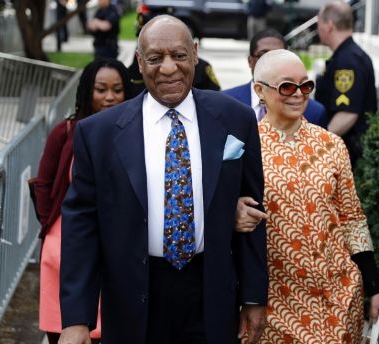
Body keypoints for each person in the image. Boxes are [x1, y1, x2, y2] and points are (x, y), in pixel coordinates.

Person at [58, 15, 268, 344]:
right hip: (133, 301)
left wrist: (254, 298)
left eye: (179, 55)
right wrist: (76, 319)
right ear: (139, 63)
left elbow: (255, 210)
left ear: (195, 54)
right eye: (155, 58)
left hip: (211, 294)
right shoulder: (97, 134)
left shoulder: (235, 119)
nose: (168, 68)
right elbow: (81, 226)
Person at [237, 49, 379, 343]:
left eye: (305, 85)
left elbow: (352, 220)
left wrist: (374, 287)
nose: (298, 94)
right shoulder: (245, 149)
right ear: (260, 91)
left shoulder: (332, 144)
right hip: (277, 302)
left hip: (339, 296)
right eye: (287, 86)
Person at [33, 58, 132, 344]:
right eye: (101, 89)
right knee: (65, 321)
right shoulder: (64, 132)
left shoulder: (135, 132)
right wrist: (49, 224)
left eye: (117, 89)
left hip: (118, 240)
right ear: (88, 91)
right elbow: (44, 183)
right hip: (66, 240)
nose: (110, 97)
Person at [314, 2, 377, 168]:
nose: (317, 29)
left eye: (318, 23)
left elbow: (347, 114)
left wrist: (317, 147)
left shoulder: (348, 61)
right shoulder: (348, 56)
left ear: (329, 26)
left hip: (346, 152)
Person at [223, 29, 328, 128]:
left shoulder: (313, 111)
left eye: (279, 56)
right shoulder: (226, 103)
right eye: (263, 55)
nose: (271, 61)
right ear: (250, 61)